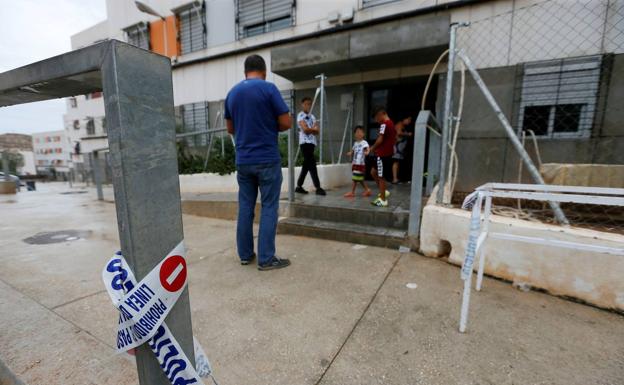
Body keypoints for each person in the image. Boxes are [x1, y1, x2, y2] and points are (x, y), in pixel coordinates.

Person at [225, 54, 291, 271]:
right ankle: (266, 258)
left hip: (243, 160)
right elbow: (286, 122)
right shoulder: (268, 88)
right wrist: (270, 125)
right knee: (269, 206)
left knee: (245, 206)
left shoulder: (232, 93)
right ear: (264, 71)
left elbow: (230, 129)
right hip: (267, 159)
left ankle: (245, 255)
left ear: (245, 72)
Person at [295, 97, 326, 195]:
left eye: (309, 104)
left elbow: (317, 131)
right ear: (302, 104)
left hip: (312, 143)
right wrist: (312, 129)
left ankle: (299, 186)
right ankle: (318, 187)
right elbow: (305, 130)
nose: (308, 106)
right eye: (306, 104)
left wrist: (311, 129)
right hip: (304, 143)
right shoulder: (300, 115)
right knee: (312, 164)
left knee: (306, 165)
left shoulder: (312, 117)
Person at [369, 107, 396, 207]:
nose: (376, 121)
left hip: (382, 155)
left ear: (381, 114)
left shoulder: (384, 124)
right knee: (373, 172)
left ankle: (383, 200)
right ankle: (384, 191)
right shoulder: (391, 124)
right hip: (386, 154)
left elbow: (380, 139)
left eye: (376, 118)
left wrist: (372, 148)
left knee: (381, 177)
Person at [344, 125, 372, 198]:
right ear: (354, 134)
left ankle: (352, 192)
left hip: (360, 164)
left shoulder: (364, 142)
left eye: (360, 132)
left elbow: (367, 148)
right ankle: (367, 190)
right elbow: (353, 150)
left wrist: (367, 152)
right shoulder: (355, 143)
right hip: (355, 163)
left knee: (355, 178)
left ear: (363, 134)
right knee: (359, 178)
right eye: (357, 132)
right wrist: (350, 153)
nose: (358, 134)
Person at [392, 117, 413, 184]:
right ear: (404, 119)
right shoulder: (399, 124)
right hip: (397, 146)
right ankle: (395, 179)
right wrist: (408, 134)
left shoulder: (403, 125)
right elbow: (399, 133)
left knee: (398, 162)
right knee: (396, 161)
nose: (409, 121)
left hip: (400, 147)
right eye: (408, 119)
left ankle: (396, 178)